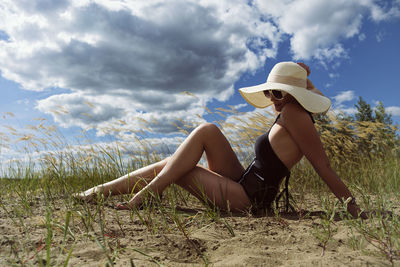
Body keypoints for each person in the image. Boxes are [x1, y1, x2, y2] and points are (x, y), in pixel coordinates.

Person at [74, 61, 364, 218]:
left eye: (278, 92)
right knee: (205, 132)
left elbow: (324, 167)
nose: (272, 99)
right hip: (243, 182)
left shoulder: (295, 115)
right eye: (269, 92)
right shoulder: (293, 111)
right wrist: (305, 79)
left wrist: (353, 208)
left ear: (294, 96)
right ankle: (101, 191)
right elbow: (320, 99)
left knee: (178, 166)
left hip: (249, 200)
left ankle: (143, 194)